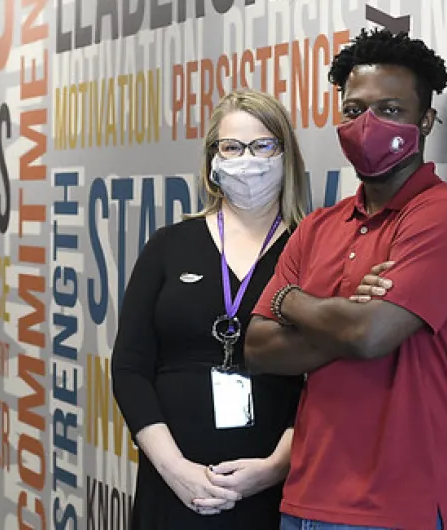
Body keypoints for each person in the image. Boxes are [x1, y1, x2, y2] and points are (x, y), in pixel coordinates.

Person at [244, 28, 447, 530]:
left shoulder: (443, 218)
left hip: (396, 507)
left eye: (390, 110)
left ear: (426, 120)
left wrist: (292, 300)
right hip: (304, 497)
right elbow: (259, 347)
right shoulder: (318, 226)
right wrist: (344, 310)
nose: (368, 125)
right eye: (354, 111)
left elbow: (370, 335)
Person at [112, 89, 312, 530]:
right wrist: (174, 470)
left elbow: (328, 383)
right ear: (212, 161)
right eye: (232, 147)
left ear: (286, 156)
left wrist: (276, 466)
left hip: (274, 490)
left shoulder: (313, 251)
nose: (248, 160)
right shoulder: (168, 247)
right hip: (173, 486)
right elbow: (129, 368)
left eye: (264, 146)